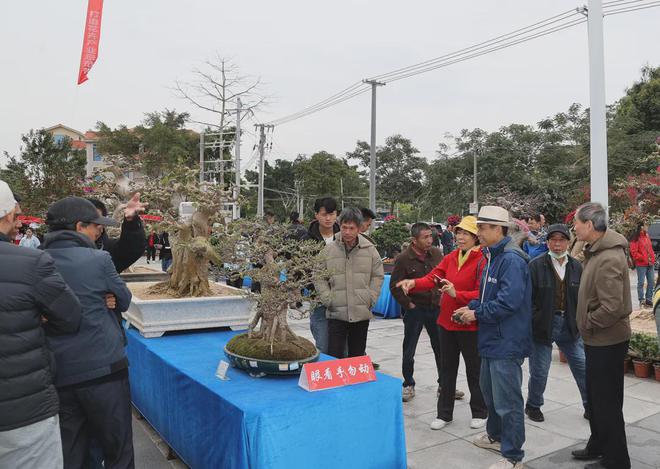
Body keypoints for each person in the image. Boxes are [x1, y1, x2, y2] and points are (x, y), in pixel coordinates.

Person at [42, 196, 134, 469]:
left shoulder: (36, 260)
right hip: (104, 368)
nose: (100, 231)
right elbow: (125, 299)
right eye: (96, 226)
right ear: (79, 226)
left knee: (71, 448)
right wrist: (105, 296)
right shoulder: (99, 259)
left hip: (60, 371)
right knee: (117, 447)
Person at [0, 181, 82, 469]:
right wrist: (35, 316)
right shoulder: (30, 262)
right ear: (8, 215)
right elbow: (70, 316)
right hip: (23, 411)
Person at [454, 206, 531, 469]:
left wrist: (477, 314)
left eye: (483, 228)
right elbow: (488, 297)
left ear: (498, 229)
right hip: (490, 338)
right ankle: (495, 435)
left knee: (508, 401)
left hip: (506, 341)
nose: (479, 233)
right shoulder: (491, 256)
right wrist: (472, 307)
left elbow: (508, 303)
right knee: (490, 393)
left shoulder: (511, 259)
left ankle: (513, 456)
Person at [397, 216, 486, 430]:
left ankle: (480, 411)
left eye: (466, 233)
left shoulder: (483, 260)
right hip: (446, 322)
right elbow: (433, 278)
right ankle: (444, 414)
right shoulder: (452, 256)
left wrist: (458, 294)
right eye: (459, 233)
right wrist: (414, 283)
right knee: (447, 370)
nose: (460, 237)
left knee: (475, 370)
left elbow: (482, 293)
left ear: (476, 237)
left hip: (469, 323)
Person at [571, 202, 632, 469]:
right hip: (597, 339)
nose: (574, 227)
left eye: (576, 223)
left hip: (607, 340)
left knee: (607, 402)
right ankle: (598, 443)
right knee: (596, 398)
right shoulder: (596, 250)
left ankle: (617, 459)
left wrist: (586, 323)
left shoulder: (608, 257)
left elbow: (612, 308)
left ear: (590, 225)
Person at [525, 224, 588, 423]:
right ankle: (533, 405)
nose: (558, 244)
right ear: (548, 242)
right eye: (553, 240)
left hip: (569, 324)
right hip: (543, 324)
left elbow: (582, 297)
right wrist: (535, 319)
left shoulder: (576, 266)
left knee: (583, 367)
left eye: (562, 240)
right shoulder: (535, 265)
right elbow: (528, 298)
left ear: (569, 242)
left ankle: (591, 405)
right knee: (540, 371)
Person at [316, 207, 384, 359]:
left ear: (359, 228)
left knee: (357, 356)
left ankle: (355, 384)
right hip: (336, 312)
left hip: (361, 313)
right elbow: (318, 276)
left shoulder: (370, 250)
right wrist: (328, 298)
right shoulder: (328, 250)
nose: (347, 232)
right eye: (344, 227)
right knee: (334, 356)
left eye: (351, 228)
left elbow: (378, 276)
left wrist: (370, 298)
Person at [390, 222, 444, 402]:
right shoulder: (404, 259)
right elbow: (395, 287)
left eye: (431, 236)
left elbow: (442, 277)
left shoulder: (436, 253)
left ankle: (444, 384)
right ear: (414, 240)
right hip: (415, 309)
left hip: (435, 307)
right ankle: (408, 383)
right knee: (409, 348)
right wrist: (409, 305)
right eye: (425, 237)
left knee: (441, 348)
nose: (430, 240)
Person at [304, 197, 340, 354]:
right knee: (323, 344)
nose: (328, 218)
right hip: (318, 299)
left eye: (331, 214)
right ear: (316, 215)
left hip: (341, 297)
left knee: (342, 347)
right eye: (324, 214)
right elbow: (301, 270)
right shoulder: (306, 240)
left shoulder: (345, 236)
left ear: (336, 214)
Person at [88, 193, 147, 273]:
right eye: (95, 223)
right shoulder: (66, 254)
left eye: (102, 223)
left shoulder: (105, 251)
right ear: (78, 225)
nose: (100, 227)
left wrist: (131, 222)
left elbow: (131, 248)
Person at [629, 222, 656, 309]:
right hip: (641, 264)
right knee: (641, 282)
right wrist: (644, 258)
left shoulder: (646, 236)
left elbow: (650, 248)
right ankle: (641, 300)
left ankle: (648, 299)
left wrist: (652, 258)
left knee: (651, 282)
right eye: (646, 225)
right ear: (641, 227)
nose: (647, 227)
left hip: (650, 263)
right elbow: (634, 253)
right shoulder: (635, 238)